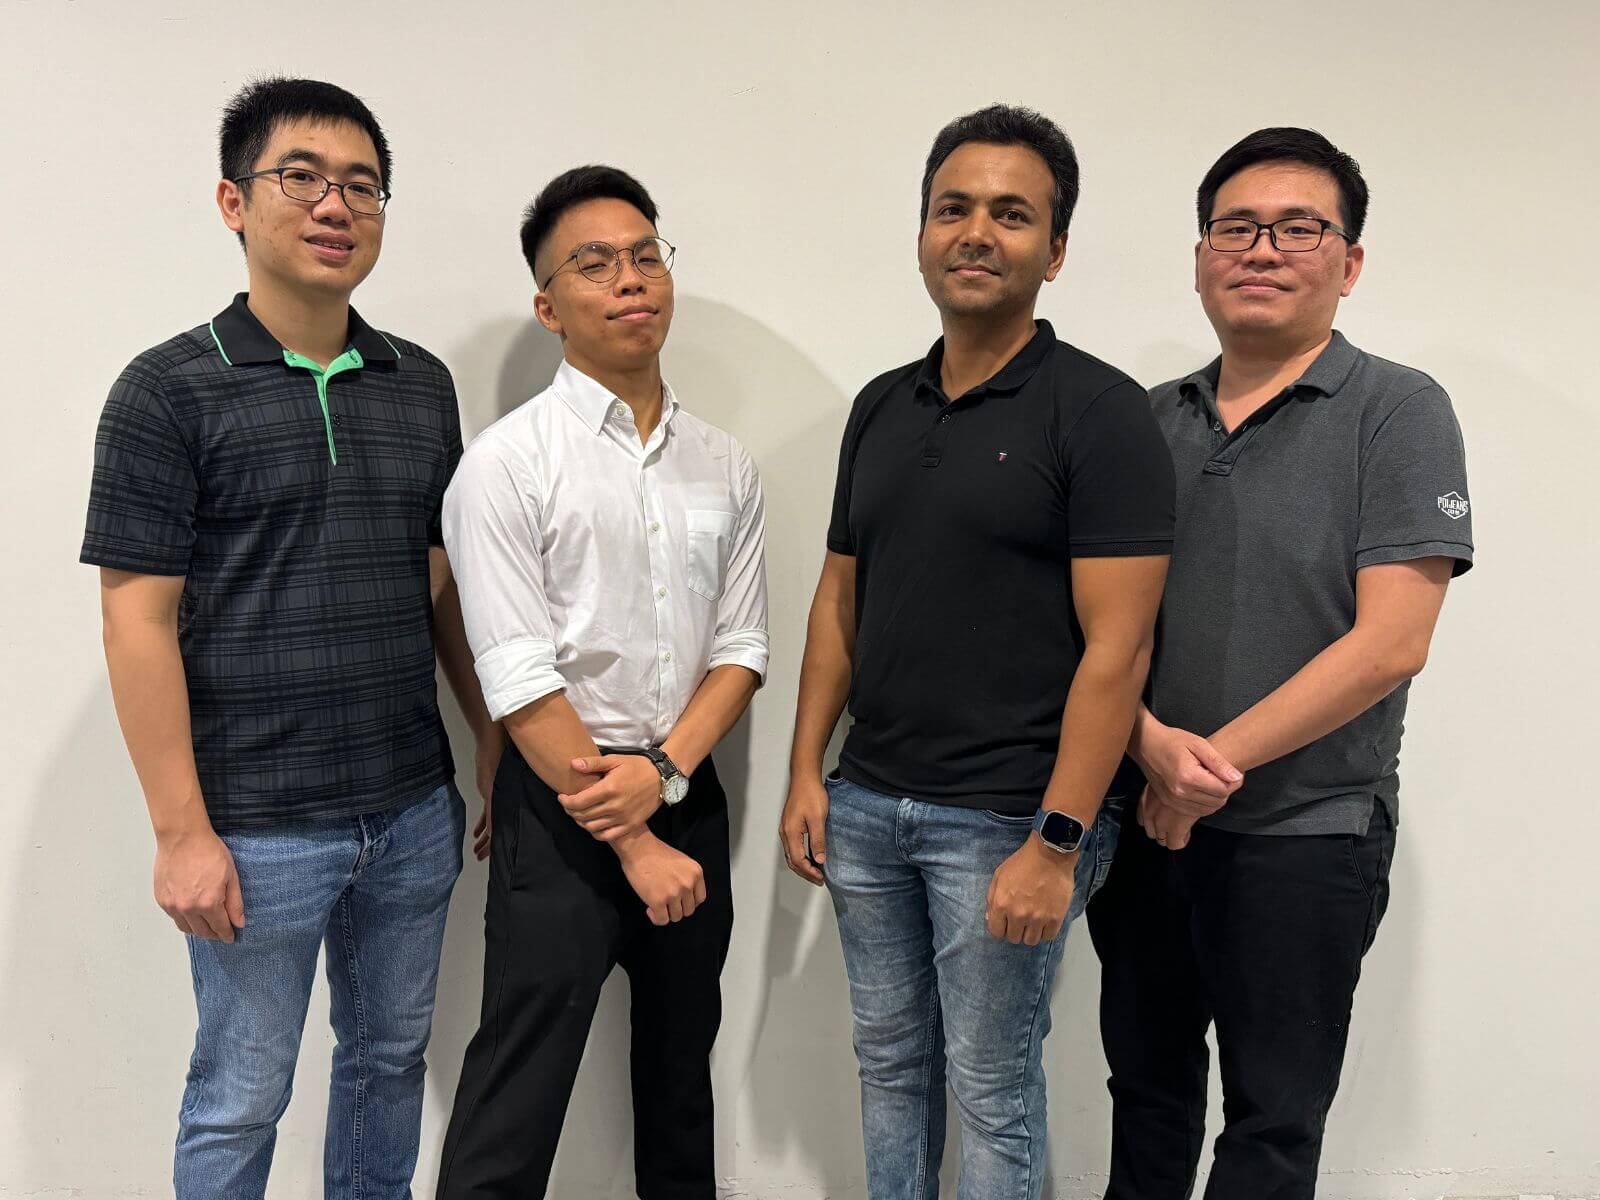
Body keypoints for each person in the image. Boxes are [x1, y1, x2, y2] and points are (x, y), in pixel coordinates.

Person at [81, 77, 499, 1199]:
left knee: (385, 1066)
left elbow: (440, 583)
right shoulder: (166, 392)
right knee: (239, 1096)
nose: (335, 204)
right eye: (300, 177)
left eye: (362, 185)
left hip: (410, 811)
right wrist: (181, 835)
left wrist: (488, 740)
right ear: (233, 200)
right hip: (256, 830)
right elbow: (137, 619)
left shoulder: (420, 385)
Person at [780, 104, 1175, 1199]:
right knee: (891, 1068)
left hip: (1008, 818)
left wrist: (1055, 842)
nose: (975, 232)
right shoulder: (879, 406)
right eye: (952, 208)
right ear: (921, 232)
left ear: (1053, 250)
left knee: (992, 1087)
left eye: (1011, 214)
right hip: (868, 809)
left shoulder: (1098, 414)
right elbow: (838, 598)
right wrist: (810, 771)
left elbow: (1119, 646)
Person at [1087, 127, 1475, 1199]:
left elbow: (1393, 639)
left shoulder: (1396, 409)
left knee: (1272, 1123)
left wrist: (1197, 770)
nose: (1262, 249)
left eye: (1298, 228)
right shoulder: (1144, 420)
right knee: (1147, 1096)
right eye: (1235, 228)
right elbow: (1093, 630)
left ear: (1347, 263)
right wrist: (1145, 749)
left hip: (1307, 834)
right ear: (1201, 254)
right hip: (1143, 824)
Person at [435, 165, 769, 1199]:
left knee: (681, 1085)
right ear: (549, 306)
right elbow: (518, 675)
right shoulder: (505, 465)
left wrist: (665, 777)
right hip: (563, 806)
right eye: (593, 264)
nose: (629, 280)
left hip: (684, 792)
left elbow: (742, 648)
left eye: (644, 255)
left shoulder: (725, 464)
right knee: (517, 1094)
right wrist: (626, 834)